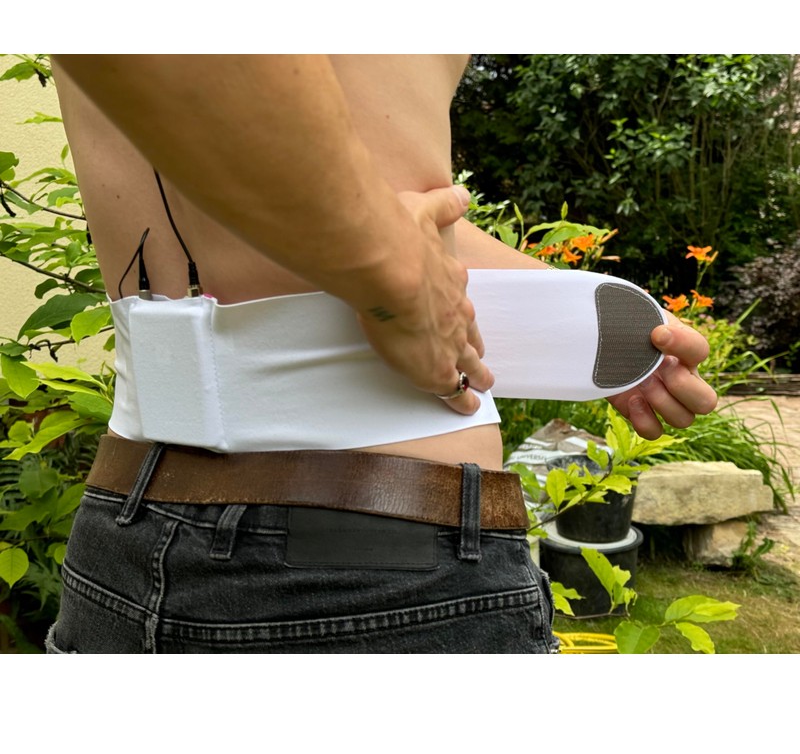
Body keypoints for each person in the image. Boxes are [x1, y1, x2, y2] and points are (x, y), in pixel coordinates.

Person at [45, 55, 716, 653]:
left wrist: (570, 319)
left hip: (127, 523)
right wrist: (389, 278)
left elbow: (376, 210)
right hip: (375, 550)